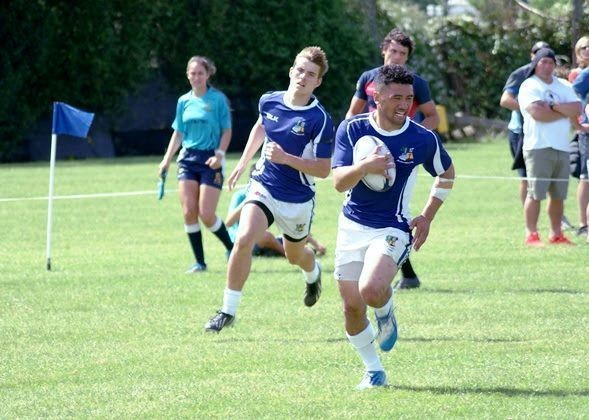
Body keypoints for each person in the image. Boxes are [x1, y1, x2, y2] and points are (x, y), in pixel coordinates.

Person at [332, 64, 455, 389]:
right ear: (377, 95)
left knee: (371, 290)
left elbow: (447, 173)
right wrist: (364, 166)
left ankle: (385, 310)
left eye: (409, 98)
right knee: (352, 306)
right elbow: (338, 183)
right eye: (397, 97)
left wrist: (427, 215)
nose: (404, 105)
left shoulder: (421, 137)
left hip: (393, 227)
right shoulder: (351, 129)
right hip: (352, 227)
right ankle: (374, 370)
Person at [204, 46, 334, 333]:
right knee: (244, 239)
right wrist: (243, 163)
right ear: (291, 71)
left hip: (298, 200)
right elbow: (261, 127)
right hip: (264, 185)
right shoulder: (269, 100)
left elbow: (324, 170)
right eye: (300, 70)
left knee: (294, 256)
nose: (303, 77)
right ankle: (227, 311)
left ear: (318, 82)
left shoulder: (320, 120)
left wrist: (287, 158)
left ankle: (312, 273)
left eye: (310, 74)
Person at [345, 27, 440, 290]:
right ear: (384, 50)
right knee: (365, 207)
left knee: (396, 210)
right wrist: (349, 148)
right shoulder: (367, 78)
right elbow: (352, 116)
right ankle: (402, 272)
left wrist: (409, 134)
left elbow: (433, 117)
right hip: (369, 155)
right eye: (393, 51)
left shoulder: (416, 83)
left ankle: (404, 272)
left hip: (402, 156)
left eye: (403, 53)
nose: (397, 56)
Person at [158, 56, 234, 273]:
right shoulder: (183, 101)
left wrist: (219, 155)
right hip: (188, 160)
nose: (196, 77)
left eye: (200, 73)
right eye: (192, 73)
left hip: (211, 159)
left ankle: (231, 247)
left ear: (208, 74)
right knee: (189, 211)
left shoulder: (218, 100)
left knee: (206, 214)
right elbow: (179, 132)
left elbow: (226, 130)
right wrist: (166, 160)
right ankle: (200, 263)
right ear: (187, 75)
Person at [518, 48, 581, 246]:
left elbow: (577, 108)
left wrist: (552, 107)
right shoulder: (529, 85)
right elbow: (538, 113)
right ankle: (532, 234)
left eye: (551, 62)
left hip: (562, 146)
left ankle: (556, 234)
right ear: (536, 64)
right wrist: (563, 110)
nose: (547, 66)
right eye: (543, 62)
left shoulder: (563, 85)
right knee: (535, 193)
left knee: (559, 195)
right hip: (538, 146)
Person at [225, 173, 327, 257]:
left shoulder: (271, 194)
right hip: (242, 241)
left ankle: (317, 248)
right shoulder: (240, 196)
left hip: (264, 240)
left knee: (298, 232)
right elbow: (228, 222)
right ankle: (286, 254)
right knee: (266, 236)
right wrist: (250, 200)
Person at [500, 41, 550, 205]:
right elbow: (506, 100)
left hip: (544, 132)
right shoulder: (520, 74)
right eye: (537, 52)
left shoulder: (551, 76)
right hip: (521, 132)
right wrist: (531, 110)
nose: (541, 56)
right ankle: (528, 217)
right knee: (526, 177)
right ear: (532, 55)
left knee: (549, 175)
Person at [571, 50, 589, 241]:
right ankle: (584, 224)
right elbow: (573, 96)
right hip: (588, 133)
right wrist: (580, 122)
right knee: (586, 178)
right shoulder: (586, 75)